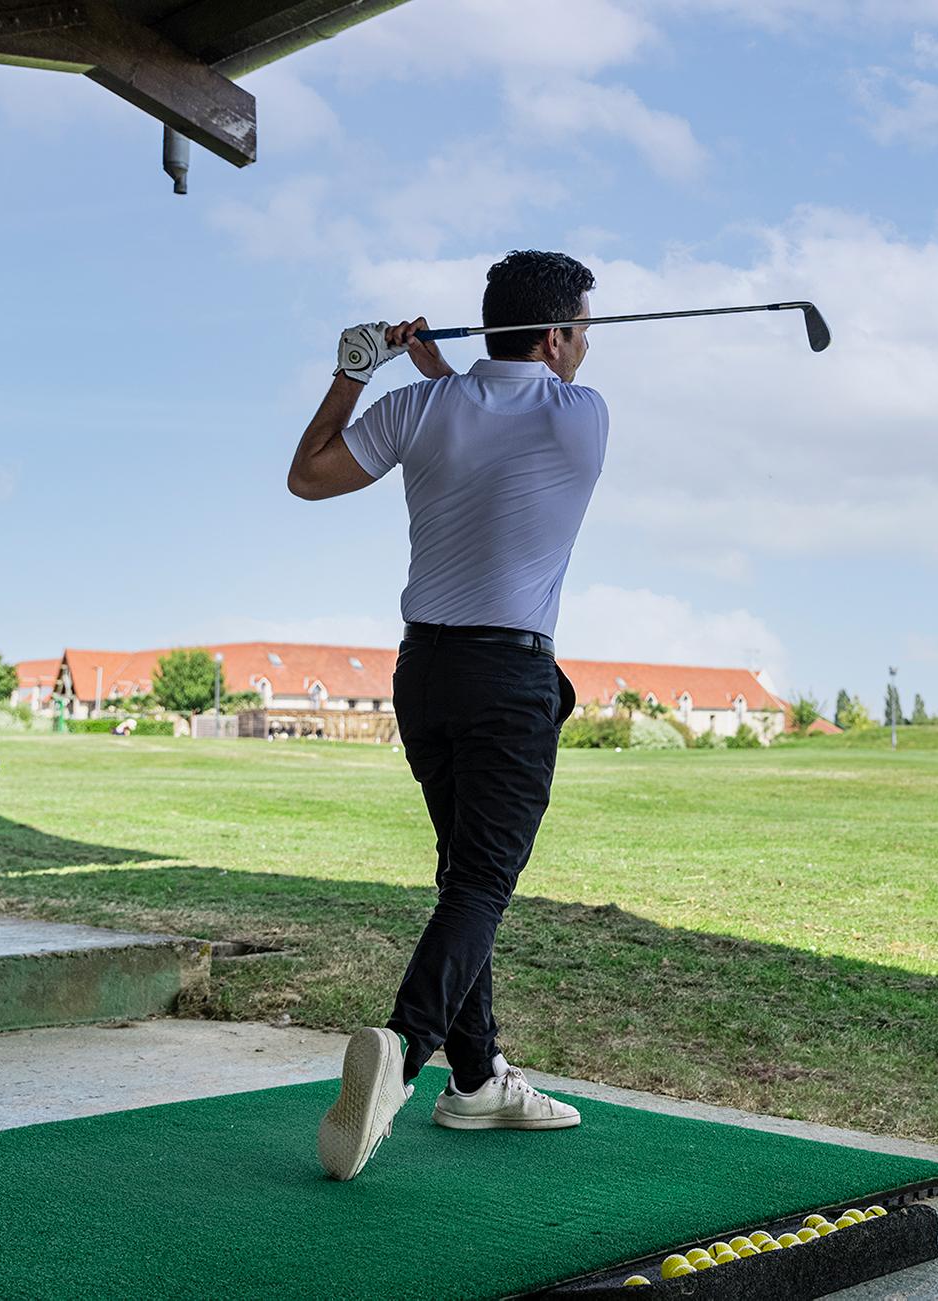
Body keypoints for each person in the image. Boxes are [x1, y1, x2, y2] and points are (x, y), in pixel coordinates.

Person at [286, 251, 604, 1181]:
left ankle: (479, 1078)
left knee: (463, 876)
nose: (585, 346)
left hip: (423, 673)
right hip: (509, 681)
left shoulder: (421, 409)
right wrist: (451, 375)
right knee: (480, 887)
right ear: (555, 337)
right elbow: (509, 403)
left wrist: (357, 370)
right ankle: (404, 1046)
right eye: (581, 329)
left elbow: (308, 475)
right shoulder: (582, 417)